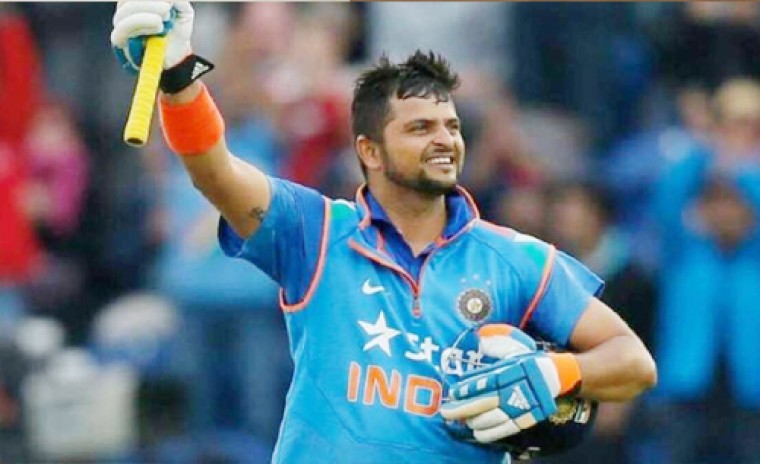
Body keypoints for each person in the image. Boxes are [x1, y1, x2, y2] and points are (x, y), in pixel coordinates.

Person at [110, 3, 657, 463]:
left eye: (452, 126)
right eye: (420, 127)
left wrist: (556, 371)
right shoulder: (315, 232)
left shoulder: (516, 258)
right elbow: (214, 170)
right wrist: (177, 73)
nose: (444, 140)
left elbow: (633, 362)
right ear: (369, 151)